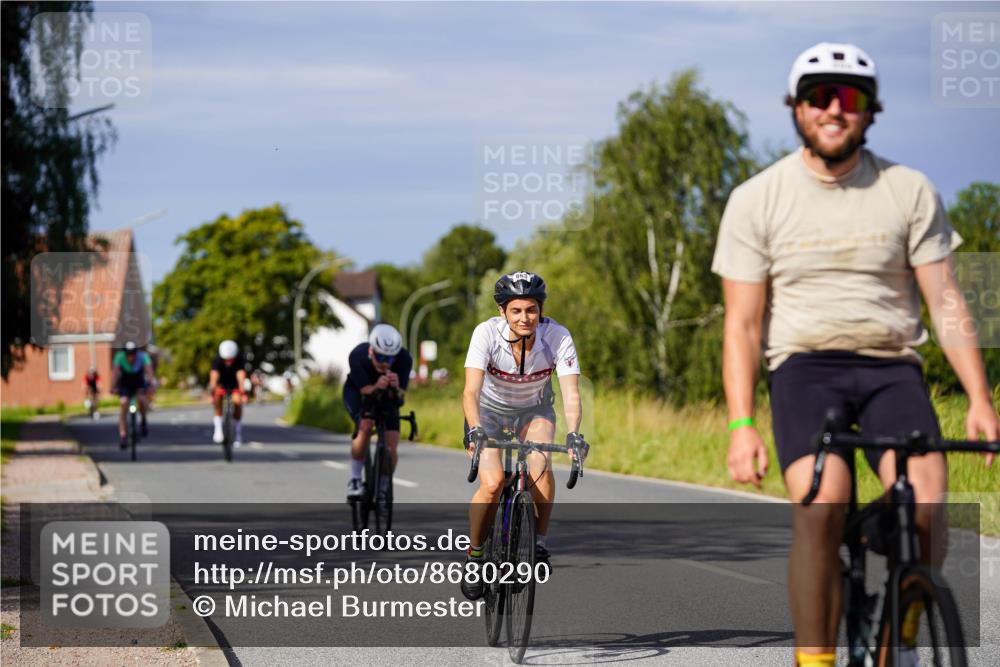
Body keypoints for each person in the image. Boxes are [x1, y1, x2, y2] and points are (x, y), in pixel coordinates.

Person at [712, 42, 999, 667]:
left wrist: (979, 397)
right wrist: (740, 425)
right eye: (820, 97)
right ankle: (815, 659)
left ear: (871, 111)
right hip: (804, 369)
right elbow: (742, 324)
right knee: (823, 503)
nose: (834, 110)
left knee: (925, 504)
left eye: (851, 98)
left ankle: (905, 629)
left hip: (892, 367)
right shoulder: (757, 198)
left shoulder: (908, 189)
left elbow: (946, 299)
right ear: (796, 109)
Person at [460, 271, 587, 601]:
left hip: (535, 410)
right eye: (516, 310)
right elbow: (470, 391)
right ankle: (475, 556)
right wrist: (474, 428)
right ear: (503, 311)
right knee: (492, 483)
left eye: (531, 309)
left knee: (540, 464)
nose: (524, 317)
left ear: (540, 309)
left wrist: (574, 434)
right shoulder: (486, 333)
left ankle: (538, 545)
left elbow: (571, 393)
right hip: (488, 411)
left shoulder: (557, 336)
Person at [343, 323, 414, 500]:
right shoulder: (357, 356)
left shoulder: (404, 359)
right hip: (360, 392)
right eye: (380, 357)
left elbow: (400, 397)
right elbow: (366, 391)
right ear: (371, 352)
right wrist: (376, 386)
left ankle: (383, 486)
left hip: (387, 396)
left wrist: (396, 387)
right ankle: (355, 479)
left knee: (391, 445)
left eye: (389, 360)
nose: (384, 363)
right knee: (365, 427)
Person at [112, 341, 155, 448]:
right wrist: (112, 387)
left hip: (139, 383)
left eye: (133, 354)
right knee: (123, 403)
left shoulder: (143, 357)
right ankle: (123, 436)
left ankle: (143, 420)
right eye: (128, 354)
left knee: (142, 400)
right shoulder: (119, 357)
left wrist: (151, 385)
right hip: (125, 384)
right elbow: (115, 373)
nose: (131, 357)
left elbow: (149, 372)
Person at [209, 340, 249, 447]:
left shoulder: (239, 358)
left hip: (234, 383)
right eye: (226, 360)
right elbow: (214, 375)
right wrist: (212, 389)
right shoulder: (217, 359)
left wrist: (242, 390)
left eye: (230, 359)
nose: (228, 362)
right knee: (217, 398)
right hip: (221, 383)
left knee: (237, 402)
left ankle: (237, 433)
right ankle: (218, 429)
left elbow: (241, 375)